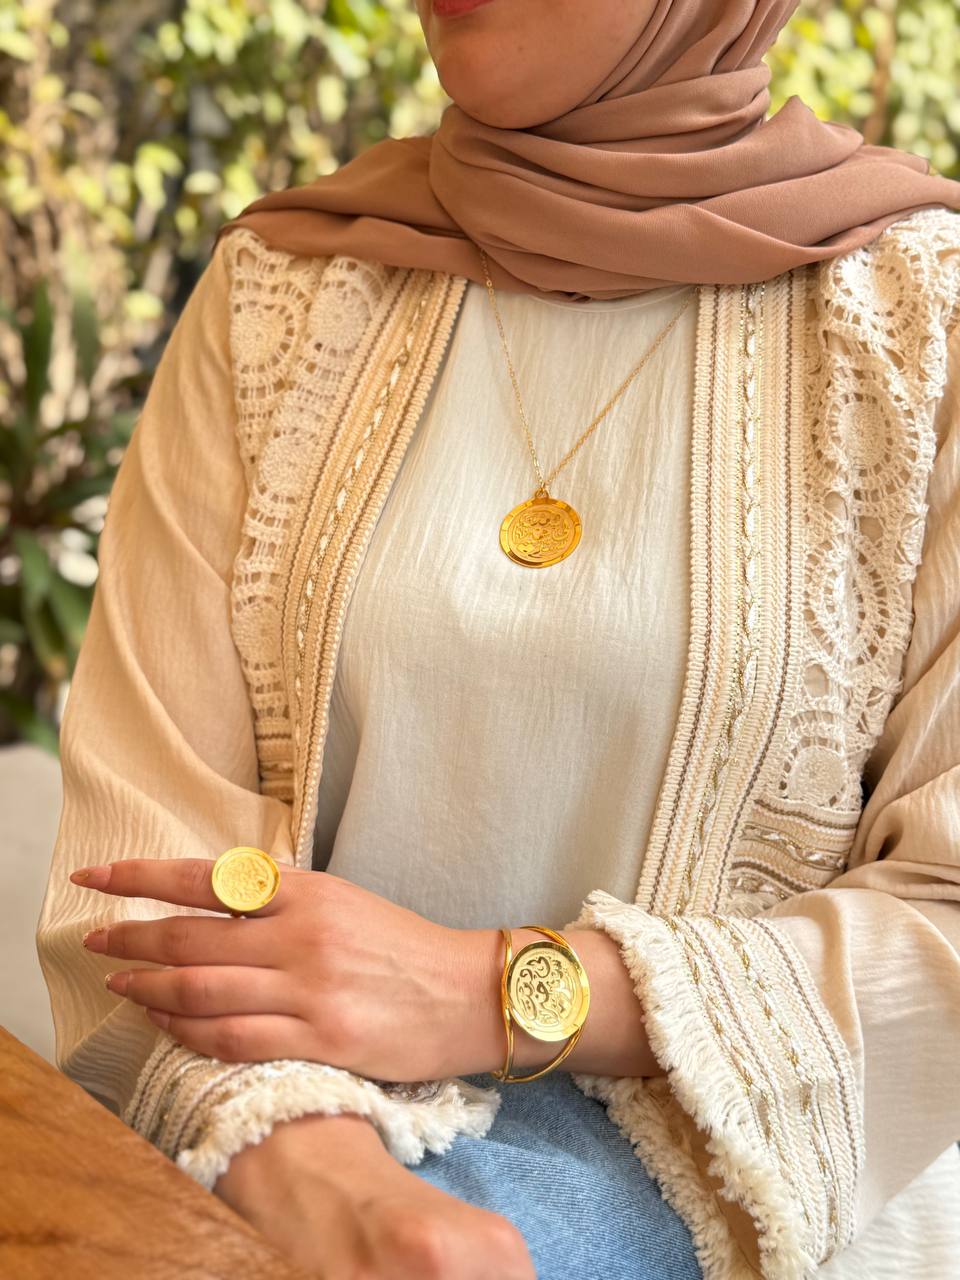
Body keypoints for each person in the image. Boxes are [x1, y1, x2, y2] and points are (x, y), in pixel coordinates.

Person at [36, 1, 960, 1277]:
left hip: (760, 1211)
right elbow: (142, 869)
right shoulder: (283, 287)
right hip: (274, 1151)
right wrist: (346, 1191)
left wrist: (488, 989)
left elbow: (945, 921)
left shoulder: (922, 325)